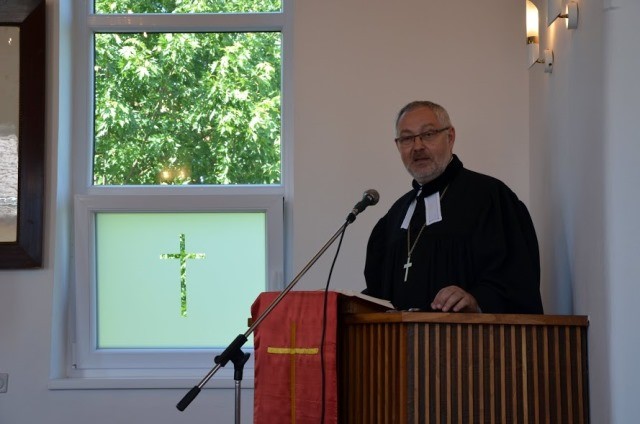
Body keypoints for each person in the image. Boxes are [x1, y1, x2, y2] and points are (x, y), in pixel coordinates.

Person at [364, 100, 543, 314]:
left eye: (428, 134)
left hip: (468, 335)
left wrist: (477, 300)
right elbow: (378, 294)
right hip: (400, 337)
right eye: (407, 138)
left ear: (450, 137)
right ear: (398, 146)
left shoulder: (490, 198)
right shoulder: (394, 217)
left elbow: (517, 279)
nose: (417, 146)